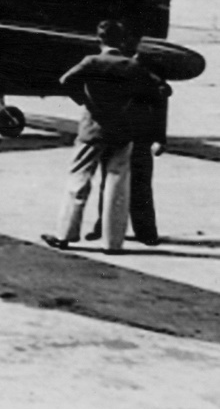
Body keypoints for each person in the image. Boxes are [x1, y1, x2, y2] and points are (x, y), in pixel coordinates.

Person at [43, 19, 168, 254]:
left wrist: (85, 100)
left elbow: (65, 81)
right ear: (121, 40)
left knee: (78, 180)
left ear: (98, 39)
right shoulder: (131, 66)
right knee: (117, 184)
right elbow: (156, 90)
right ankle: (113, 242)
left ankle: (65, 235)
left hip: (92, 129)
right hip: (122, 130)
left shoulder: (91, 62)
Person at [87, 31, 171, 247]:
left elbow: (161, 104)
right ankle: (136, 231)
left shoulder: (144, 73)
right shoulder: (136, 70)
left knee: (121, 182)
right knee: (124, 183)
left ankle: (136, 231)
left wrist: (160, 138)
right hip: (126, 134)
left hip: (130, 135)